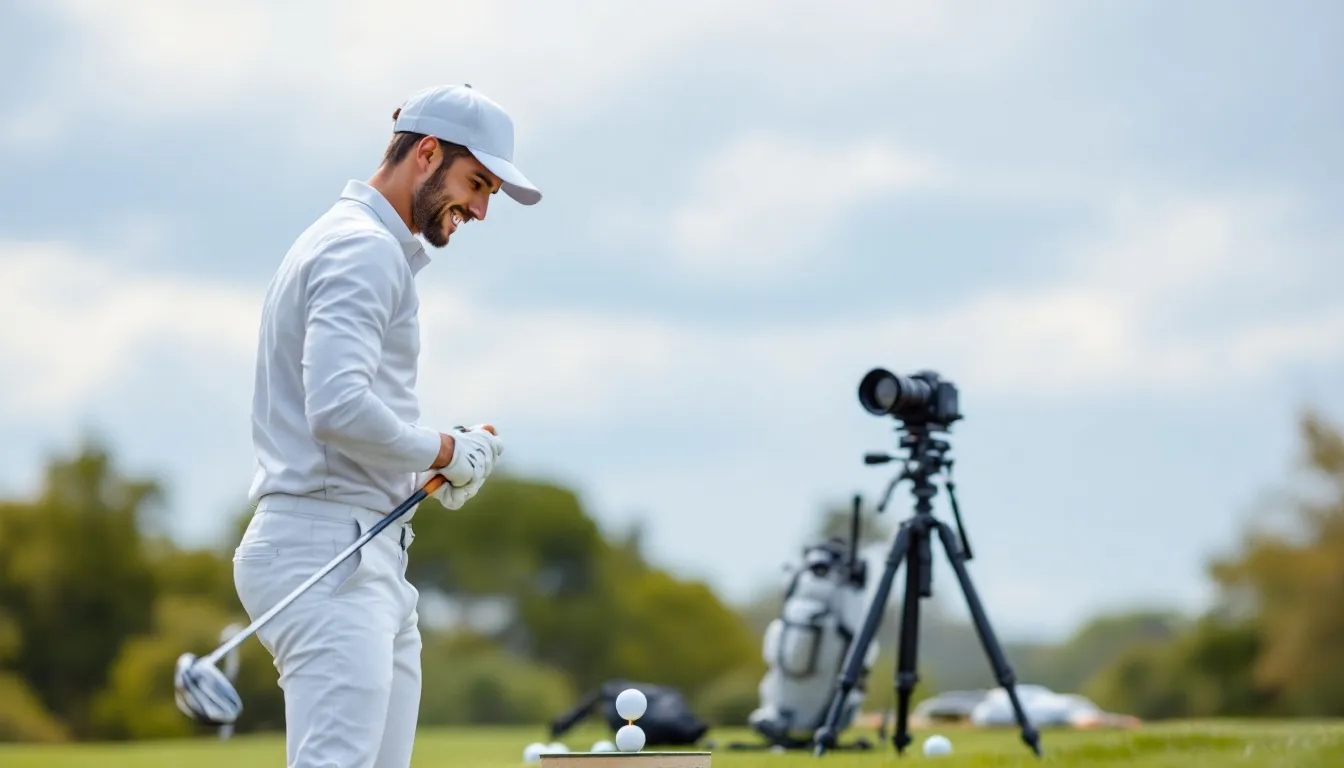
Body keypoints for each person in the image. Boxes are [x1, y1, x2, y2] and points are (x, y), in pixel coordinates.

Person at [232, 84, 541, 768]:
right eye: (477, 182)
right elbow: (337, 408)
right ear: (426, 153)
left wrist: (428, 463)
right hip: (326, 548)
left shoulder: (359, 243)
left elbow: (344, 415)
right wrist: (449, 448)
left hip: (361, 546)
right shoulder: (362, 248)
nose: (483, 209)